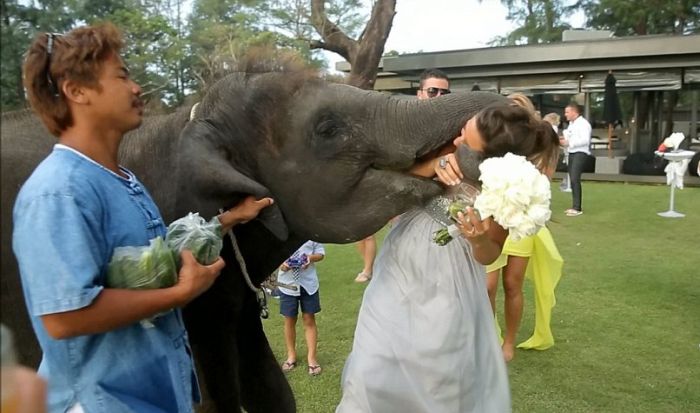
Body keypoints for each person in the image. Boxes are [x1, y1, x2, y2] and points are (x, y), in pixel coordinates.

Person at [13, 24, 273, 412]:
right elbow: (64, 315)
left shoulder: (120, 179)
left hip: (150, 396)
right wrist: (180, 294)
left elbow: (153, 255)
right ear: (76, 90)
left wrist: (226, 221)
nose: (136, 88)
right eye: (121, 75)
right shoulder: (58, 192)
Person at [337, 102, 561, 413]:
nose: (456, 141)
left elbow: (490, 253)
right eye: (461, 132)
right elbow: (386, 183)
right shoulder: (441, 146)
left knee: (437, 373)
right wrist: (428, 168)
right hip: (400, 264)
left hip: (449, 278)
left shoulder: (505, 189)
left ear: (490, 159)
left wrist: (479, 238)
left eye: (466, 141)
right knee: (372, 360)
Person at [355, 68, 451, 284]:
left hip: (445, 219)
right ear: (420, 94)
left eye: (444, 93)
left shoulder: (454, 129)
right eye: (432, 91)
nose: (438, 97)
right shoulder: (402, 127)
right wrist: (434, 165)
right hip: (405, 218)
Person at [277, 241, 326, 376]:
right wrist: (283, 265)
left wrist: (309, 258)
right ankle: (291, 356)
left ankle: (312, 358)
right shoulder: (283, 234)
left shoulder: (311, 233)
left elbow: (321, 254)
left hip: (308, 284)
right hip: (287, 285)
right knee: (289, 320)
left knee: (309, 319)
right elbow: (273, 256)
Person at [561, 103, 591, 216]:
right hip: (572, 152)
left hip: (580, 152)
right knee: (572, 179)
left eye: (567, 112)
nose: (565, 115)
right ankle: (575, 206)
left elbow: (585, 140)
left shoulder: (583, 124)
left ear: (574, 112)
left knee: (574, 178)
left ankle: (577, 208)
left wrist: (569, 142)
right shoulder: (571, 124)